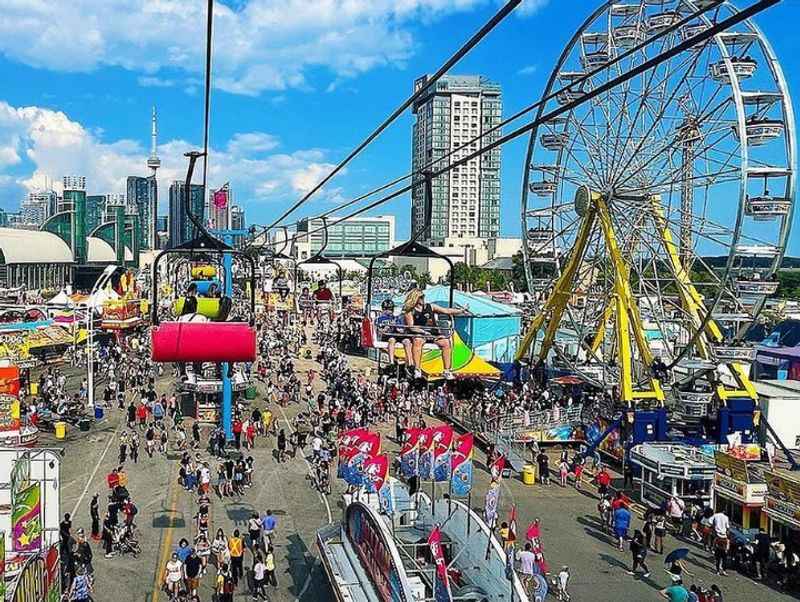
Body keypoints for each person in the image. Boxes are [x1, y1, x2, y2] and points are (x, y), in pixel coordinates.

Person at [401, 289, 468, 380]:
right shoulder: (410, 311)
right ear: (415, 298)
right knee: (418, 341)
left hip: (433, 333)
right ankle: (417, 369)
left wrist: (460, 311)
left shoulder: (430, 307)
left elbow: (446, 311)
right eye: (420, 297)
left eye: (423, 297)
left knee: (446, 342)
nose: (422, 299)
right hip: (420, 333)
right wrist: (423, 332)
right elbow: (411, 327)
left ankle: (447, 370)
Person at [710, 509, 730, 575]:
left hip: (717, 535)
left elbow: (710, 522)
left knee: (717, 558)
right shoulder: (726, 518)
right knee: (724, 558)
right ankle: (724, 570)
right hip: (724, 537)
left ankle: (717, 571)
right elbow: (727, 527)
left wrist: (714, 527)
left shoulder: (715, 515)